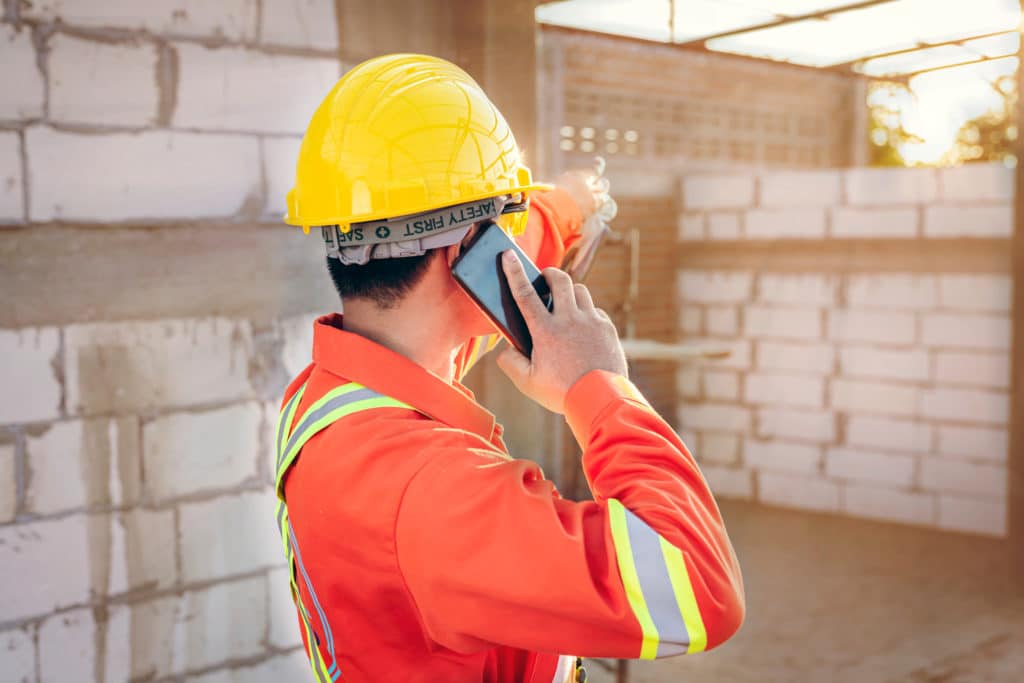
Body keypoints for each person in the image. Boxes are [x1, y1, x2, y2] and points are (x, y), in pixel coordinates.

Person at [274, 53, 745, 683]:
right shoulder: (434, 492)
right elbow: (698, 582)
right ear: (471, 250)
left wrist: (570, 202)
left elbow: (485, 259)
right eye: (503, 226)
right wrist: (598, 386)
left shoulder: (330, 397)